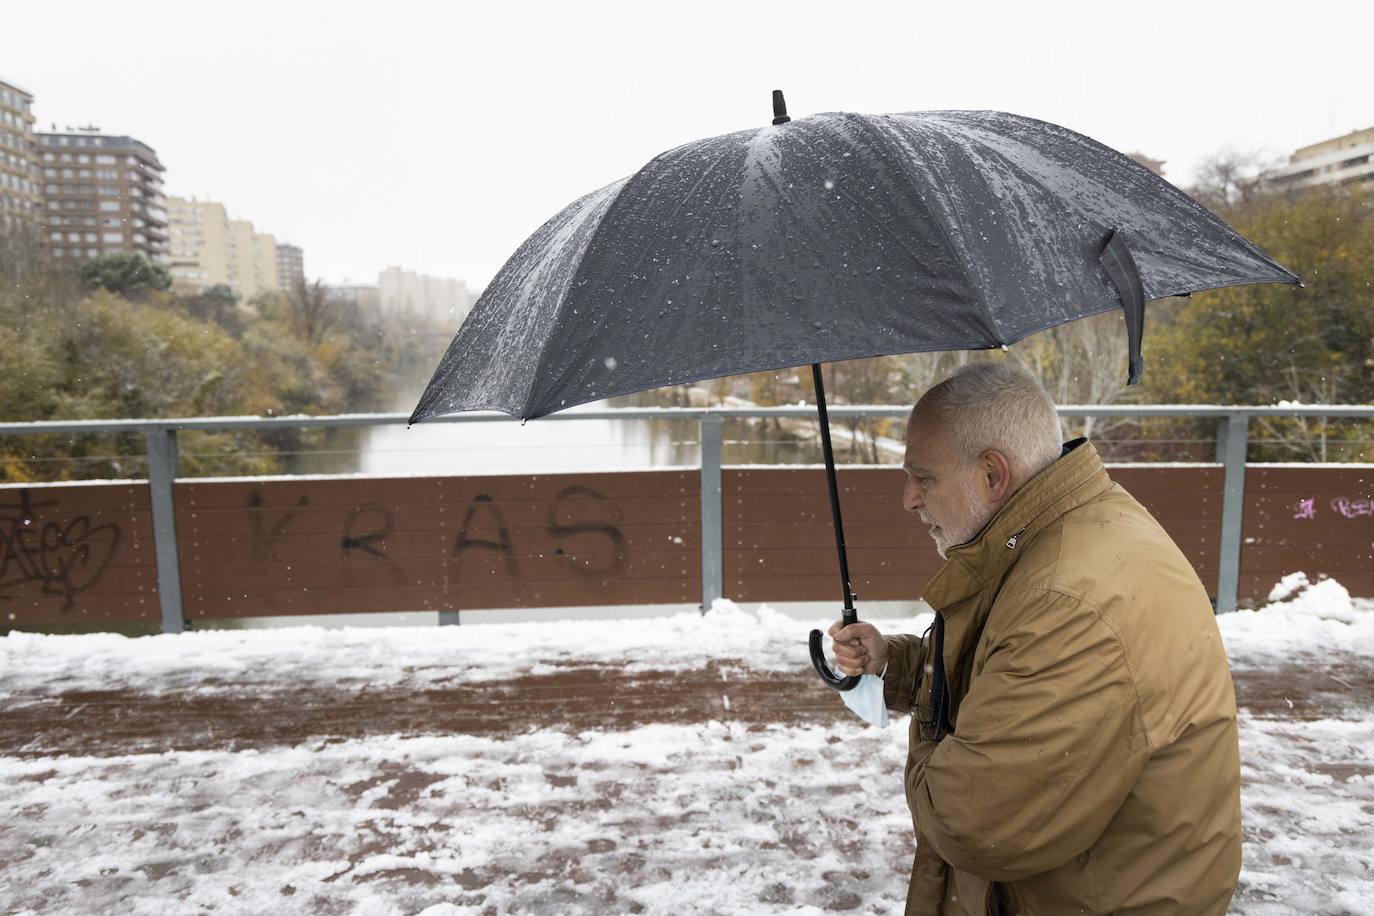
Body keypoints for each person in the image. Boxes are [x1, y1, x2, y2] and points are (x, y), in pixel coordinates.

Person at [829, 362, 1241, 916]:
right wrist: (897, 666)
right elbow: (1012, 663)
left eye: (923, 478)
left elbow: (971, 819)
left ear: (992, 476)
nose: (909, 498)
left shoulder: (1067, 599)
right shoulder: (1068, 532)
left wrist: (933, 730)